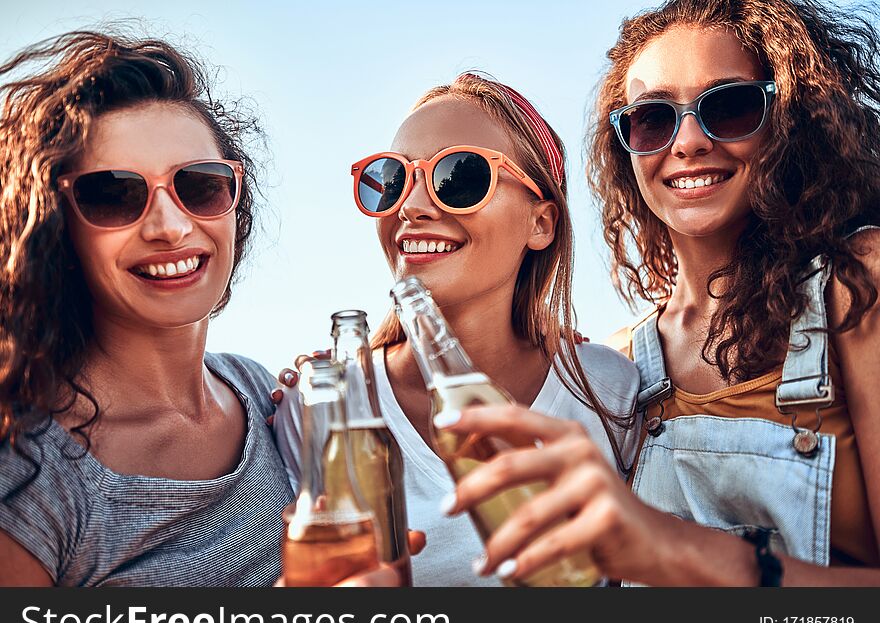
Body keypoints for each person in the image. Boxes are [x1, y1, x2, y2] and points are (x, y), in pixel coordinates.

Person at [436, 0, 880, 586]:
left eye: (730, 107)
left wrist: (679, 551)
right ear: (627, 147)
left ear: (791, 121)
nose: (689, 141)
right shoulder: (621, 369)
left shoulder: (858, 285)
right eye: (653, 119)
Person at [273, 73, 642, 586]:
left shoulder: (610, 393)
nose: (411, 207)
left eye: (460, 177)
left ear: (541, 223)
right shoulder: (319, 409)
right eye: (393, 179)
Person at [0, 29, 301, 586]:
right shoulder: (29, 476)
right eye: (114, 194)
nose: (171, 226)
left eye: (200, 185)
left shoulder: (264, 396)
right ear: (53, 225)